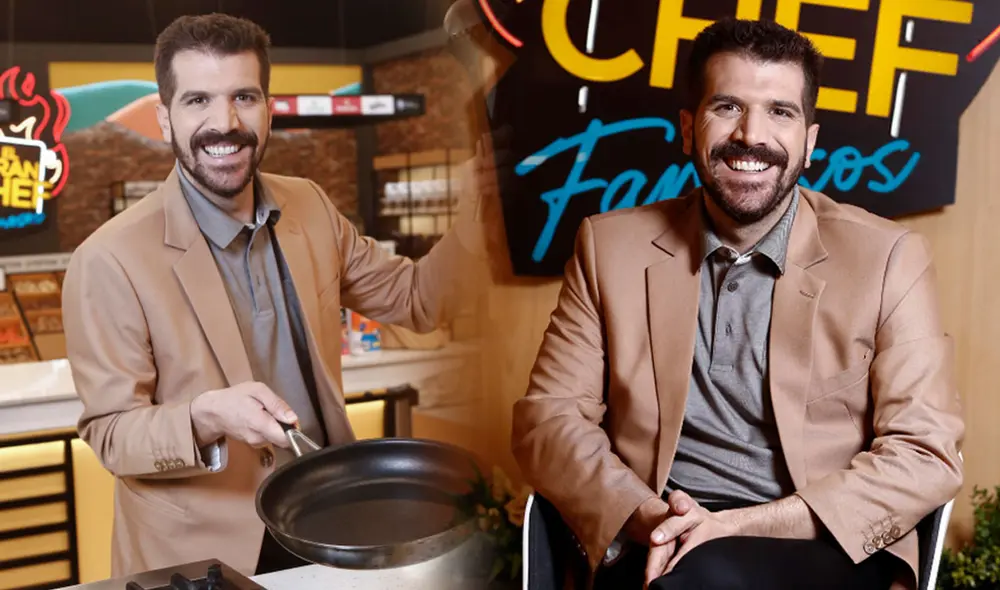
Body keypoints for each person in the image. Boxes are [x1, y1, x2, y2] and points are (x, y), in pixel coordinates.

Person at [510, 17, 964, 590]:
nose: (751, 135)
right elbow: (548, 420)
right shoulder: (608, 246)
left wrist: (734, 526)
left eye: (780, 112)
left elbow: (925, 454)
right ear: (687, 128)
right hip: (655, 534)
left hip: (818, 539)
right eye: (727, 107)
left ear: (810, 142)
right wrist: (654, 520)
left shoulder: (889, 258)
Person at [62, 13, 484, 578]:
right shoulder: (109, 258)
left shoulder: (310, 205)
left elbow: (418, 300)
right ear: (164, 118)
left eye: (244, 97)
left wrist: (477, 218)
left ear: (268, 107)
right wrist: (205, 416)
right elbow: (112, 435)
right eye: (197, 101)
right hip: (203, 553)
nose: (225, 122)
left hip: (327, 519)